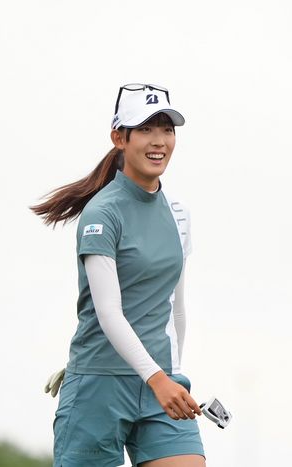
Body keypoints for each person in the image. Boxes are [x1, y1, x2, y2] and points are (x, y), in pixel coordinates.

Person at [31, 84, 205, 467]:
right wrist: (157, 378)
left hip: (160, 385)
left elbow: (175, 306)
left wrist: (171, 375)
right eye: (145, 129)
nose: (159, 141)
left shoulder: (179, 214)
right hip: (98, 386)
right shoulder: (102, 214)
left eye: (167, 129)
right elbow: (109, 312)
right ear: (119, 138)